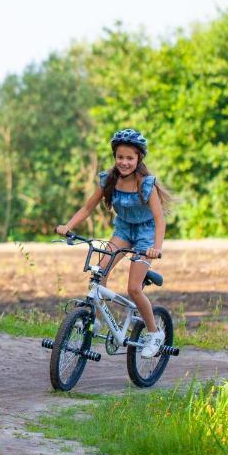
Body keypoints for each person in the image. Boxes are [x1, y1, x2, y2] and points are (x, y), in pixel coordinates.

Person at [57, 128, 171, 358]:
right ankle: (95, 322)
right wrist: (68, 226)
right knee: (99, 272)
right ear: (114, 157)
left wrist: (156, 248)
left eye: (130, 158)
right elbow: (87, 207)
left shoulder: (146, 184)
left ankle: (154, 333)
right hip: (123, 230)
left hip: (145, 234)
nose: (124, 162)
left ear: (139, 159)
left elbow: (160, 221)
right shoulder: (108, 180)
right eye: (120, 157)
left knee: (133, 288)